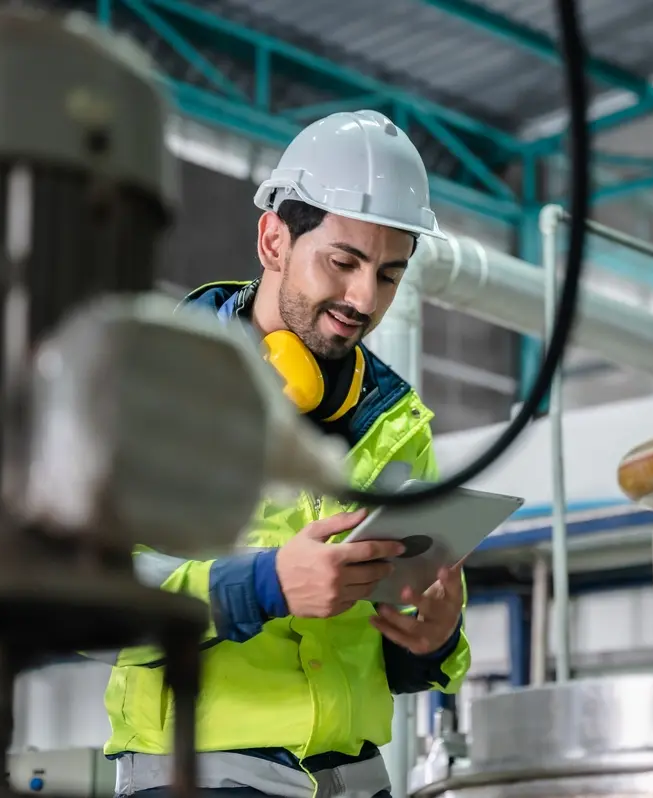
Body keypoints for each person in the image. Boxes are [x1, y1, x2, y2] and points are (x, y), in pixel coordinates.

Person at [104, 110, 470, 798]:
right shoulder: (153, 386)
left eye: (390, 275)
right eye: (343, 262)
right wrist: (267, 584)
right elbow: (86, 592)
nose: (365, 297)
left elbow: (400, 638)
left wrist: (435, 640)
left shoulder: (397, 424)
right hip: (202, 772)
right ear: (274, 239)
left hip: (358, 776)